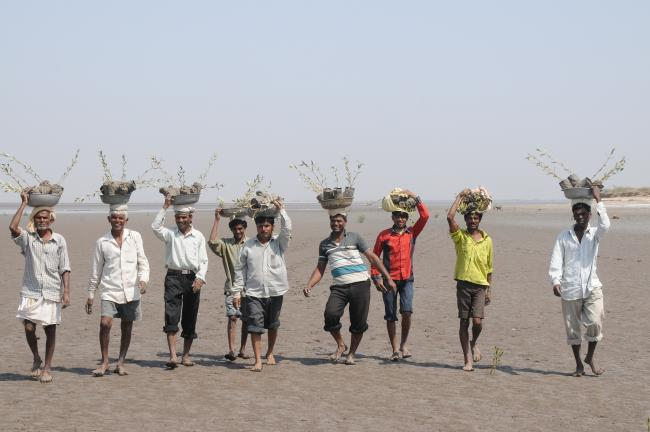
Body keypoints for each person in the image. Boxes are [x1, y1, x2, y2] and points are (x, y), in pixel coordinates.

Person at [304, 211, 396, 365]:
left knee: (358, 322)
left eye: (339, 220)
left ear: (345, 221)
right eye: (333, 221)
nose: (336, 224)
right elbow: (320, 268)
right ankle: (341, 344)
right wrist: (309, 284)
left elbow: (372, 257)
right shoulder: (324, 244)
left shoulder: (355, 237)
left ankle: (351, 354)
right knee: (330, 314)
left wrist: (388, 277)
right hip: (339, 287)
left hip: (361, 284)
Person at [9, 191, 71, 383]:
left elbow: (65, 268)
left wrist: (66, 292)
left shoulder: (59, 240)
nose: (42, 221)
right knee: (28, 327)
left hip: (52, 290)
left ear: (51, 220)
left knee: (50, 330)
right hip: (31, 290)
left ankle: (47, 367)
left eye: (45, 218)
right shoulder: (29, 239)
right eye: (38, 218)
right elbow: (12, 227)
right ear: (34, 220)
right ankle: (36, 357)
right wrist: (23, 203)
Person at [549, 185, 609, 377]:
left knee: (595, 322)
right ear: (573, 215)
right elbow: (556, 260)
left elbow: (606, 225)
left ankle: (590, 356)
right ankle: (579, 365)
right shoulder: (563, 237)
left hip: (592, 286)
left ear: (589, 215)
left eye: (583, 213)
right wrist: (555, 281)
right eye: (577, 214)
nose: (580, 216)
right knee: (572, 329)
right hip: (570, 288)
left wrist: (599, 200)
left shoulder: (594, 235)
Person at [86, 205, 150, 376]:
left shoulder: (135, 237)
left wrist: (143, 280)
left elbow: (142, 261)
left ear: (126, 220)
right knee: (105, 324)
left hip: (131, 289)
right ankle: (105, 362)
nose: (117, 221)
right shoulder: (102, 242)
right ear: (109, 219)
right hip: (109, 289)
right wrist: (91, 293)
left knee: (127, 326)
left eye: (121, 218)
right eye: (114, 217)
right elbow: (96, 269)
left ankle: (120, 362)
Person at [371, 189, 429, 361]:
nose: (401, 219)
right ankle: (395, 348)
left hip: (407, 279)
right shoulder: (384, 235)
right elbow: (375, 257)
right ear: (392, 217)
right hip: (389, 281)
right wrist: (376, 277)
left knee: (407, 312)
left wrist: (414, 196)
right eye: (397, 216)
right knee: (390, 315)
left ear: (407, 217)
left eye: (404, 216)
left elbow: (425, 216)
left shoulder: (412, 233)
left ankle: (404, 344)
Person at [232, 201, 290, 372]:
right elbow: (240, 270)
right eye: (260, 226)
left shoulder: (279, 243)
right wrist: (236, 292)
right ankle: (257, 360)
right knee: (254, 326)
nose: (264, 229)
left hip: (275, 291)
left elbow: (287, 230)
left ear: (272, 227)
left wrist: (282, 211)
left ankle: (270, 353)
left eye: (267, 226)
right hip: (253, 293)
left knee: (272, 324)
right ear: (256, 227)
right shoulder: (248, 246)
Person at [152, 195, 208, 369]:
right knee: (171, 315)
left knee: (190, 316)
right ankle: (173, 356)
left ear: (190, 218)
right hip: (173, 277)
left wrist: (200, 278)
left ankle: (186, 356)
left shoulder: (198, 236)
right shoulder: (169, 234)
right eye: (178, 217)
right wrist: (165, 206)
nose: (181, 220)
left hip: (192, 278)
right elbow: (155, 227)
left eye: (184, 217)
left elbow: (203, 261)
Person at [447, 189, 493, 371]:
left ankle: (474, 343)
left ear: (480, 219)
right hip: (464, 285)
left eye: (476, 218)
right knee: (464, 322)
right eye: (469, 218)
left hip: (481, 286)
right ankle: (467, 358)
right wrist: (459, 197)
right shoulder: (461, 237)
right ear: (465, 219)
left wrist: (489, 289)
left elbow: (489, 267)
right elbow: (450, 218)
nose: (472, 221)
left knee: (478, 322)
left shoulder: (487, 240)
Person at [208, 209, 250, 361]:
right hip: (231, 288)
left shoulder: (251, 243)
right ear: (231, 229)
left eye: (240, 228)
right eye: (235, 229)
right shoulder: (226, 244)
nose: (238, 231)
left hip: (249, 289)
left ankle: (243, 349)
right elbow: (212, 242)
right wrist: (217, 220)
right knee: (232, 317)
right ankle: (231, 350)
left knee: (246, 320)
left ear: (244, 228)